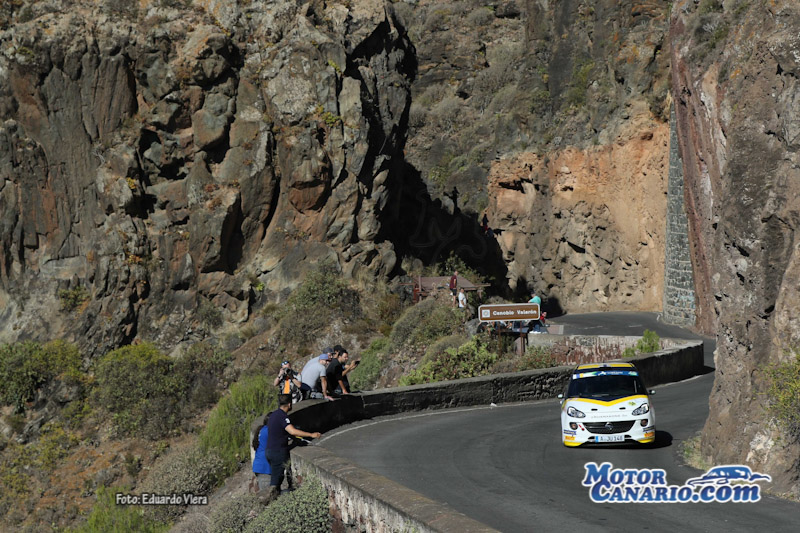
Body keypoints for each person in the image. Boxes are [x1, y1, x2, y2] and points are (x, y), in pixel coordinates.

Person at [265, 394, 321, 500]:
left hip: (269, 451)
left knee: (278, 476)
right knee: (275, 483)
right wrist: (311, 435)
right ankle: (270, 502)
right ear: (289, 404)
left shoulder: (273, 415)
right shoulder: (282, 416)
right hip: (278, 452)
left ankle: (277, 498)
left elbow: (280, 430)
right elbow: (292, 431)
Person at [251, 419, 272, 493]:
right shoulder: (268, 431)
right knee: (268, 495)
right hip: (265, 469)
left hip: (259, 467)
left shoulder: (261, 430)